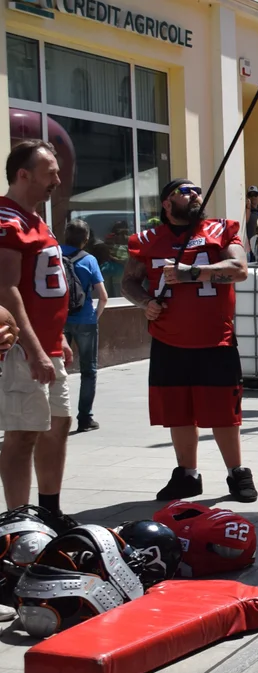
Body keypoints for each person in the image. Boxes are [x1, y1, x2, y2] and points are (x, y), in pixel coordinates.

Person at [122, 179, 258, 503]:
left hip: (216, 341)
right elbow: (129, 281)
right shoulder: (148, 240)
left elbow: (239, 269)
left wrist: (191, 273)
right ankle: (187, 474)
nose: (194, 194)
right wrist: (145, 302)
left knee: (225, 414)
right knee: (178, 413)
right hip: (168, 341)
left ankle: (237, 472)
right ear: (166, 205)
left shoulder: (221, 230)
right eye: (184, 192)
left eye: (196, 189)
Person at [0, 140, 75, 524]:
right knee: (23, 432)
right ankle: (18, 521)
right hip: (23, 349)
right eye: (50, 172)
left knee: (58, 423)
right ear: (23, 174)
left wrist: (57, 336)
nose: (57, 181)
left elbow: (41, 285)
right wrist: (34, 348)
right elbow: (5, 287)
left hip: (49, 343)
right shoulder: (7, 219)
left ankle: (49, 510)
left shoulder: (35, 218)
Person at [61, 219, 108, 432]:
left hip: (59, 321)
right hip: (86, 320)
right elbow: (104, 297)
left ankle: (54, 418)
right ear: (86, 239)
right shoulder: (89, 260)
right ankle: (85, 419)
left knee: (56, 369)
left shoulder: (53, 255)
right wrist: (93, 317)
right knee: (88, 371)